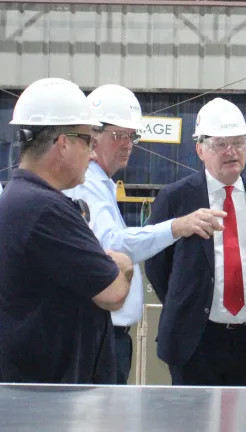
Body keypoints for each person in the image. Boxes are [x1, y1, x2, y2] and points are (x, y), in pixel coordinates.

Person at [62, 84, 228, 385]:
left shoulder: (101, 185)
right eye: (119, 136)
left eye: (132, 136)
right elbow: (111, 244)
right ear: (92, 135)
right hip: (101, 336)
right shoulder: (86, 184)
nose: (128, 145)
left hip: (109, 336)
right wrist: (177, 226)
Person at [0, 77, 133, 384]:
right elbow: (113, 293)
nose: (91, 154)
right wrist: (124, 266)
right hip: (50, 397)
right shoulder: (46, 211)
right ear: (63, 143)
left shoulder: (22, 199)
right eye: (87, 140)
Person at [144, 97, 246, 386]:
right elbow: (156, 265)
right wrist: (187, 305)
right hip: (195, 339)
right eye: (220, 144)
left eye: (239, 142)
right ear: (200, 149)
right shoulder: (175, 198)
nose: (231, 152)